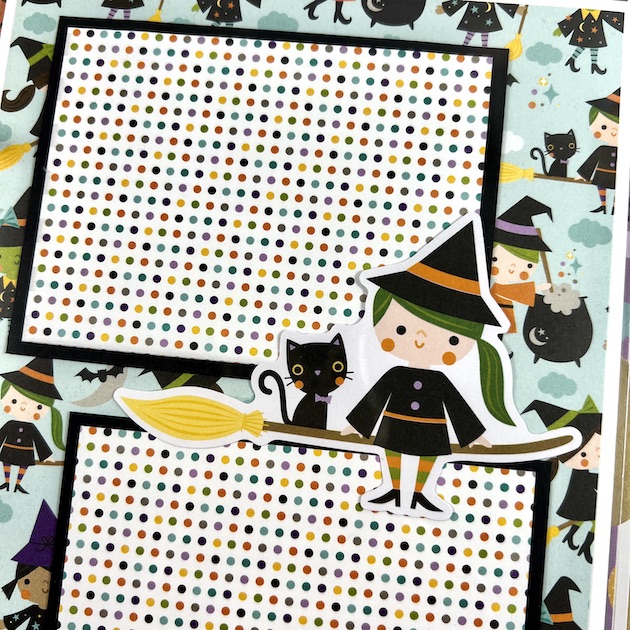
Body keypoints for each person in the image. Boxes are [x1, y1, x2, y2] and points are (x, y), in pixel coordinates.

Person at [343, 217, 513, 515]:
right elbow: (377, 396)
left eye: (451, 338)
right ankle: (394, 488)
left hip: (432, 429)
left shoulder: (441, 383)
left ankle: (421, 492)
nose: (420, 339)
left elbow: (458, 407)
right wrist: (358, 425)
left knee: (428, 457)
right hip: (396, 423)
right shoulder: (394, 374)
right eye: (401, 329)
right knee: (392, 451)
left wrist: (473, 435)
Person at [490, 196, 553, 334]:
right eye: (496, 258)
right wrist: (538, 287)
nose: (512, 269)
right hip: (496, 317)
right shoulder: (497, 288)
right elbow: (512, 291)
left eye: (528, 266)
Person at [0, 358, 64, 494]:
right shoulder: (10, 424)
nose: (23, 407)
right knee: (6, 462)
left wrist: (46, 456)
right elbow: (1, 435)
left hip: (25, 452)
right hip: (9, 449)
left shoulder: (31, 428)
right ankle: (7, 481)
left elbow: (39, 441)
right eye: (14, 401)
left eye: (38, 406)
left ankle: (18, 484)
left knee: (24, 465)